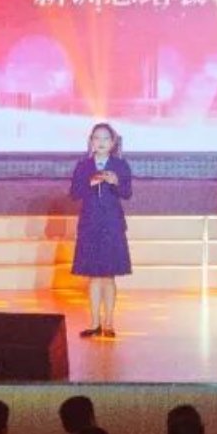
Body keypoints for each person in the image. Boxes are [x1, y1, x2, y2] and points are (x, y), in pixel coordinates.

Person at [69, 122, 133, 339]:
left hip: (112, 225)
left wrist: (115, 182)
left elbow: (127, 193)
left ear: (113, 142)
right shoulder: (83, 166)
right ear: (91, 142)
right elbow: (74, 193)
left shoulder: (120, 165)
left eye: (106, 138)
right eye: (97, 138)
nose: (101, 142)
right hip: (90, 225)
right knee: (94, 277)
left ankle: (109, 323)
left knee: (108, 276)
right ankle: (95, 323)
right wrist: (89, 182)